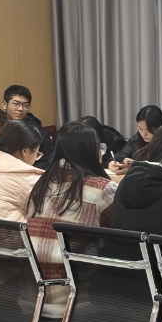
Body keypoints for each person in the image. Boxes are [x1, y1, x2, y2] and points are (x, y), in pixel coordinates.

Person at [25, 121, 118, 282]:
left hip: (33, 281)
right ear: (92, 152)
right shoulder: (103, 189)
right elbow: (118, 230)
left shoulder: (40, 184)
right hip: (77, 284)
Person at [3, 84, 53, 167]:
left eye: (25, 105)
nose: (20, 109)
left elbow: (48, 154)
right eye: (16, 104)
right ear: (5, 104)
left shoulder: (34, 126)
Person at [110, 104, 162, 173]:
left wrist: (136, 166)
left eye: (148, 130)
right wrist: (114, 162)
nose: (143, 134)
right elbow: (122, 154)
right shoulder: (136, 140)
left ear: (160, 127)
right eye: (140, 128)